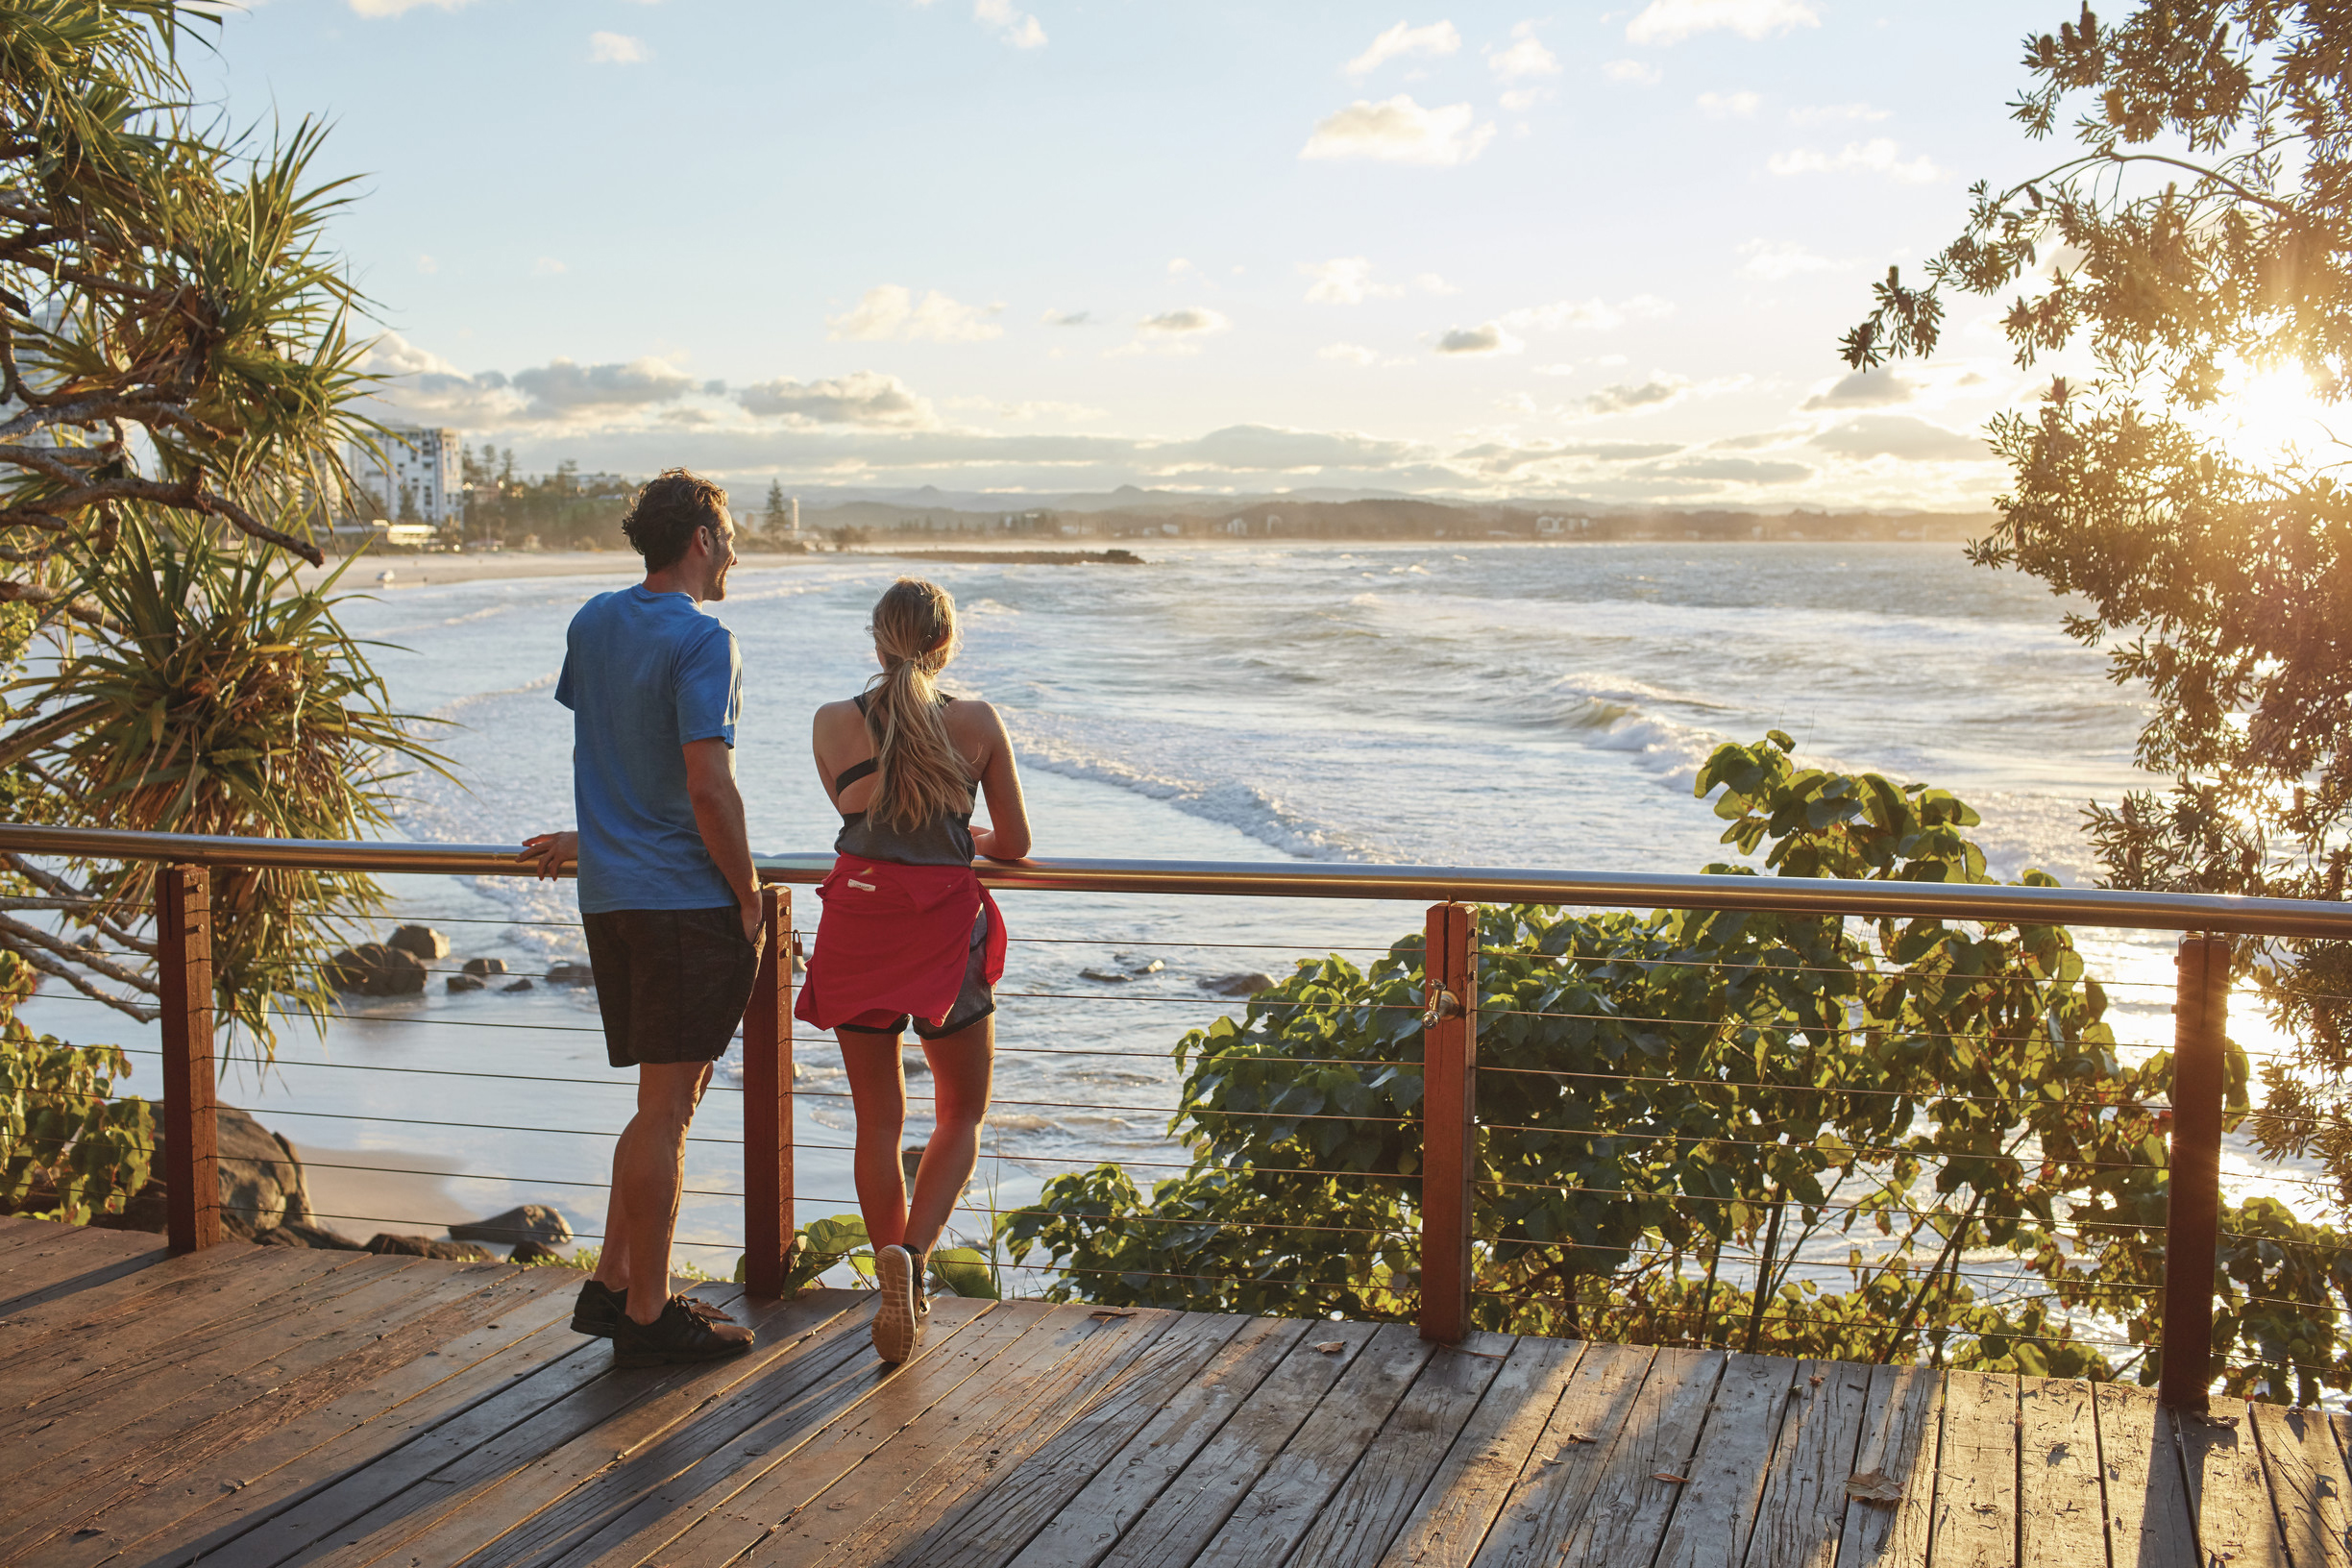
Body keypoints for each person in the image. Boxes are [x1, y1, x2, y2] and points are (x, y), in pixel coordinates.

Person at [520, 468, 761, 1365]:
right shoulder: (706, 640)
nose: (735, 550)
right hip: (681, 900)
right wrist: (746, 894)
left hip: (614, 897)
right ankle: (653, 1315)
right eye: (730, 534)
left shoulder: (593, 621)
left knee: (665, 1099)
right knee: (666, 1110)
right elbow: (705, 783)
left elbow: (615, 755)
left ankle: (617, 1282)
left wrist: (596, 837)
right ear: (701, 539)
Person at [796, 577, 1031, 1363]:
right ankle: (915, 1259)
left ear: (876, 641)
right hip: (940, 932)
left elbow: (866, 819)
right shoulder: (975, 721)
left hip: (858, 924)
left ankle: (887, 1262)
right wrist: (964, 831)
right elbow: (1018, 845)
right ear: (947, 642)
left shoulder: (833, 722)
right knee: (960, 1112)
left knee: (878, 1120)